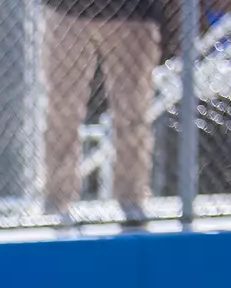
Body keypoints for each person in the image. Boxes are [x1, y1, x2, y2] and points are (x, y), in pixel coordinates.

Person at [42, 0, 163, 224]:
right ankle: (56, 200)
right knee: (62, 111)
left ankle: (132, 200)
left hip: (133, 13)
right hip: (69, 10)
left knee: (133, 113)